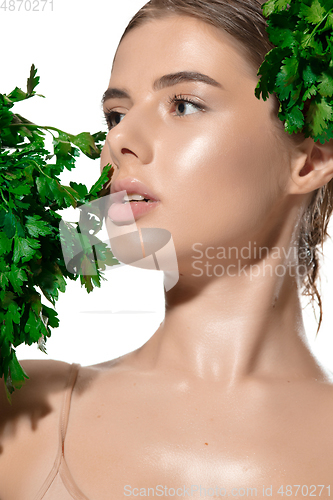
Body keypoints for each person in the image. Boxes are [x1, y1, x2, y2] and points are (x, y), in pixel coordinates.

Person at [1, 1, 333, 499]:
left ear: (309, 159)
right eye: (116, 113)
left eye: (184, 104)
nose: (118, 140)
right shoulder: (24, 411)